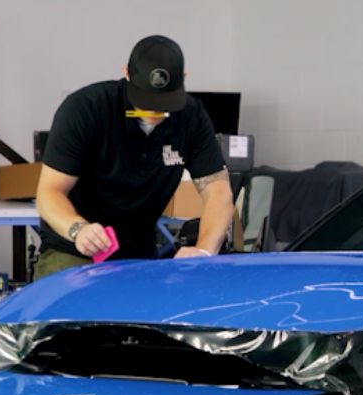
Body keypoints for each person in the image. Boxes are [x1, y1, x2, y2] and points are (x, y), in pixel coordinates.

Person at [34, 35, 234, 278]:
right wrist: (78, 229)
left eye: (164, 103)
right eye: (146, 102)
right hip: (74, 248)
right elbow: (49, 192)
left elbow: (218, 191)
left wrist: (203, 252)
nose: (154, 113)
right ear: (126, 73)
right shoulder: (86, 109)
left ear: (183, 80)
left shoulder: (192, 117)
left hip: (138, 253)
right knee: (70, 306)